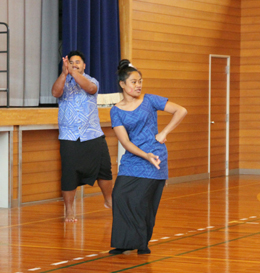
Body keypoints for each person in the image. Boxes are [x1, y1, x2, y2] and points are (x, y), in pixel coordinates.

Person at [109, 59, 187, 255]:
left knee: (142, 201)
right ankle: (123, 242)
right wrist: (144, 155)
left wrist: (164, 133)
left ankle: (142, 243)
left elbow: (181, 110)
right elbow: (125, 142)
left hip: (156, 158)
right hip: (135, 158)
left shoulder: (150, 100)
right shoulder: (116, 110)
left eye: (140, 81)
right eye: (134, 81)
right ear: (122, 84)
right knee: (119, 195)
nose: (138, 85)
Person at [51, 50, 113, 223]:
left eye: (78, 62)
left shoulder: (91, 80)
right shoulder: (63, 81)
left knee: (104, 170)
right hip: (69, 136)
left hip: (92, 134)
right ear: (66, 64)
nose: (75, 64)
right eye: (71, 62)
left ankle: (109, 200)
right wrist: (64, 74)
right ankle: (69, 210)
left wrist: (74, 73)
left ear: (84, 65)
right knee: (69, 174)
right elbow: (55, 93)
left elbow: (90, 88)